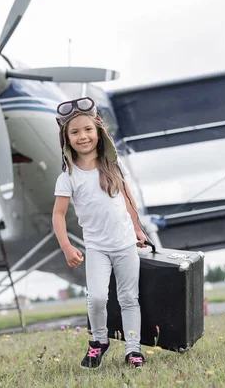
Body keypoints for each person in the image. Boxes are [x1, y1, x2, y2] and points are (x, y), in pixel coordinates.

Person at [52, 97, 147, 369]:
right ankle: (99, 341)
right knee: (96, 297)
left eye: (88, 130)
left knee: (129, 298)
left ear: (99, 132)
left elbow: (128, 198)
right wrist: (67, 248)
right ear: (66, 138)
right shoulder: (68, 176)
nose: (82, 136)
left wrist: (138, 228)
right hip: (97, 248)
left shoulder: (114, 166)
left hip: (126, 244)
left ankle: (133, 349)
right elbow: (58, 215)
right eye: (75, 132)